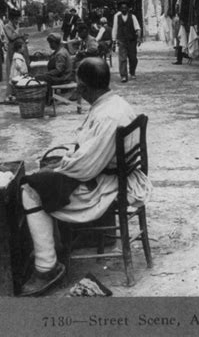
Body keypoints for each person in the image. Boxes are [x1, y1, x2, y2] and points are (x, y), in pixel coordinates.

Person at [19, 57, 152, 296]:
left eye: (79, 85)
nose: (78, 89)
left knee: (30, 190)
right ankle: (53, 245)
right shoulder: (112, 102)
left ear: (87, 87)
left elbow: (85, 168)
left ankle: (47, 265)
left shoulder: (107, 116)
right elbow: (85, 145)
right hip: (107, 172)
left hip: (108, 184)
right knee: (45, 176)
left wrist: (61, 166)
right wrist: (68, 158)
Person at [3, 9, 28, 102]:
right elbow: (12, 37)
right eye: (16, 18)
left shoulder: (16, 25)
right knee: (13, 69)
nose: (18, 20)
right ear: (12, 18)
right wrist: (18, 31)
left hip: (20, 47)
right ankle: (11, 92)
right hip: (12, 49)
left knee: (23, 67)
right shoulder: (7, 26)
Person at [112, 1, 141, 82]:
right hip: (122, 40)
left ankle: (132, 72)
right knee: (122, 58)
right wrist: (114, 41)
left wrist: (139, 38)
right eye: (122, 8)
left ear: (128, 9)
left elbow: (137, 28)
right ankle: (123, 75)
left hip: (132, 40)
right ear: (120, 9)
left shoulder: (132, 17)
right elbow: (115, 28)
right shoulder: (117, 17)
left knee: (133, 58)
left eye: (125, 8)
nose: (124, 9)